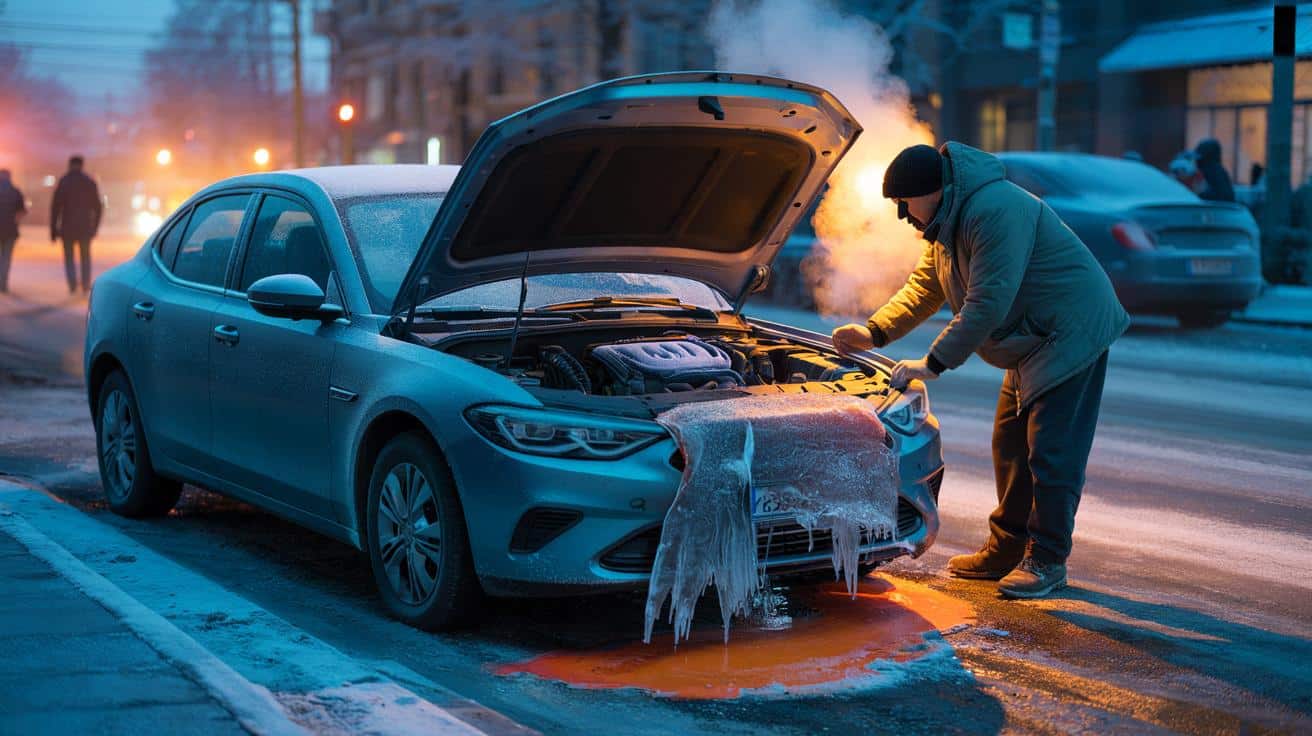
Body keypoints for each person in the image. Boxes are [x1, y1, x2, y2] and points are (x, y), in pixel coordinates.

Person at [831, 143, 1129, 598]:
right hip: (1031, 338)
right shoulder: (946, 222)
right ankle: (1007, 548)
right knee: (1010, 445)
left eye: (904, 203)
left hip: (1069, 331)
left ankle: (1047, 559)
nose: (902, 215)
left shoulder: (993, 211)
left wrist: (932, 363)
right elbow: (925, 288)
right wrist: (874, 332)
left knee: (1052, 452)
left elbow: (988, 302)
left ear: (931, 191)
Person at [50, 155, 103, 294]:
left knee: (69, 256)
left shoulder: (64, 181)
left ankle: (72, 284)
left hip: (67, 227)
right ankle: (85, 283)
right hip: (85, 226)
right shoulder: (89, 182)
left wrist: (53, 229)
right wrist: (95, 226)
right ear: (82, 165)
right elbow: (98, 207)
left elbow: (55, 207)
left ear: (70, 165)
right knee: (85, 256)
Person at [0, 169, 26, 293]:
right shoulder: (15, 191)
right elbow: (22, 210)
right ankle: (3, 283)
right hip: (10, 229)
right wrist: (15, 219)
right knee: (6, 257)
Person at [1194, 138, 1235, 203]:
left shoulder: (1214, 171)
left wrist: (1198, 193)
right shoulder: (1213, 170)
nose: (1196, 161)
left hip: (1217, 207)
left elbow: (1224, 196)